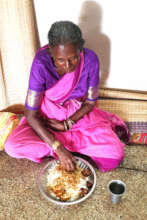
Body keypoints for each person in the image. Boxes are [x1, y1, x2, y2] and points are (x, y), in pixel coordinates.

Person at [4, 21, 129, 172]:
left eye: (73, 58)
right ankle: (63, 149)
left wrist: (67, 124)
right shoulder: (40, 63)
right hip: (47, 121)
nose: (68, 66)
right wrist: (57, 146)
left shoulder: (90, 60)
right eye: (61, 60)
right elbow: (30, 115)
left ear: (80, 50)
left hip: (78, 119)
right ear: (51, 52)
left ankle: (63, 148)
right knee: (12, 146)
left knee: (114, 155)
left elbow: (90, 103)